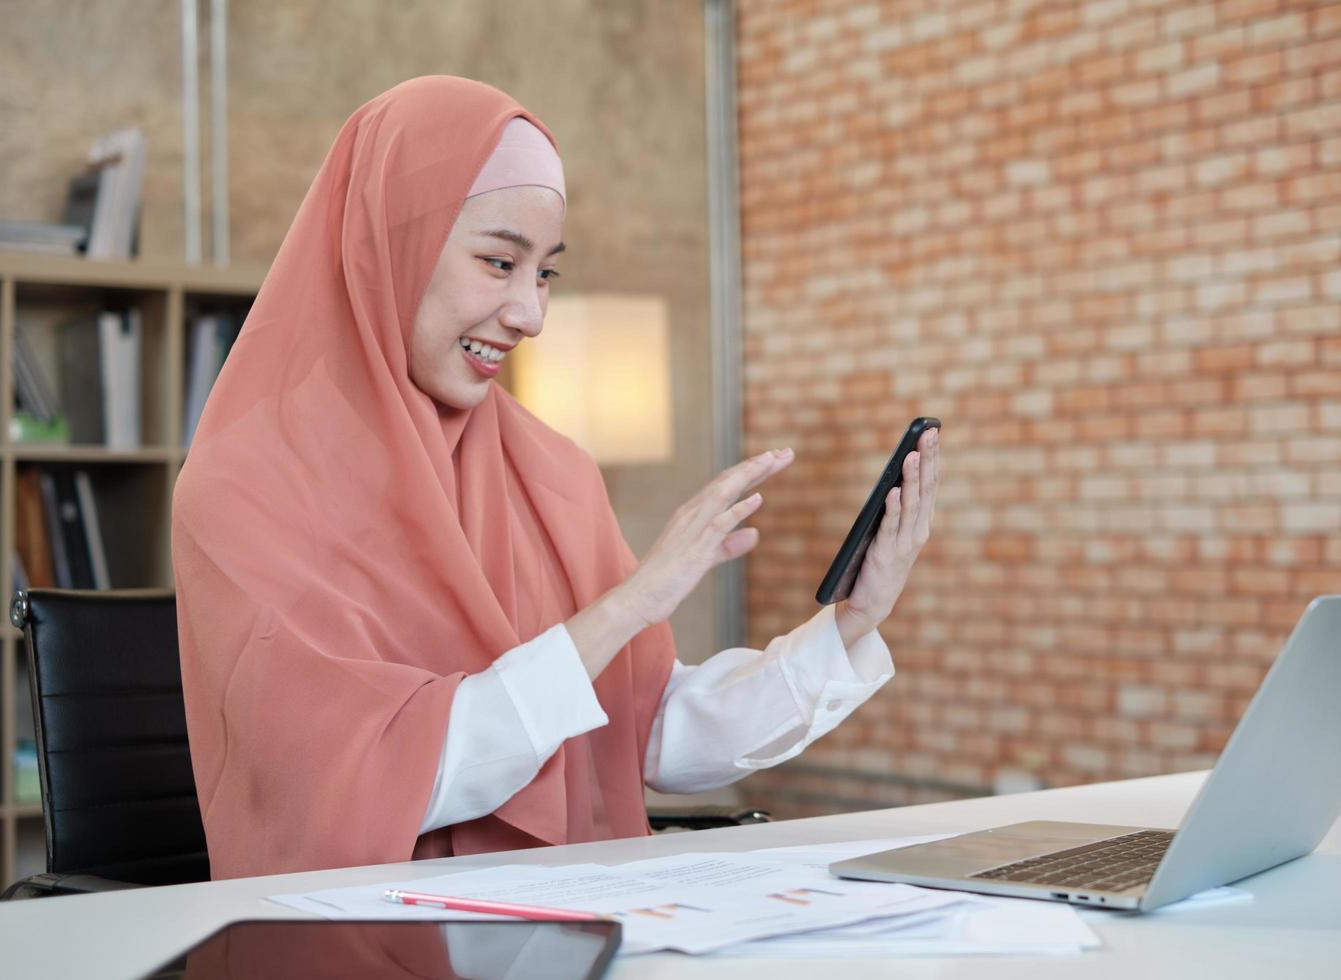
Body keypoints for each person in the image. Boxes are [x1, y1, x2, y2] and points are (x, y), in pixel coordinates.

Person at [172, 76, 940, 879]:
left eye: (544, 275)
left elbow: (646, 731)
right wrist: (626, 607)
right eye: (499, 262)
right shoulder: (244, 488)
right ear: (387, 250)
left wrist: (853, 622)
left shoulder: (551, 470)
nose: (530, 314)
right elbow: (373, 784)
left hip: (564, 930)